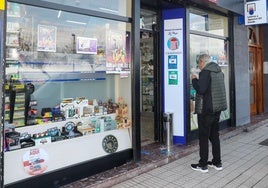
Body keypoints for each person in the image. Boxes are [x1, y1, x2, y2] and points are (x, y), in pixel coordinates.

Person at [191, 54, 227, 173]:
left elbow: (201, 90)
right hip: (217, 109)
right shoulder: (218, 71)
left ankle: (203, 165)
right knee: (214, 136)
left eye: (199, 64)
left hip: (207, 110)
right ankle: (217, 162)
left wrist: (194, 80)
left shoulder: (205, 73)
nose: (199, 66)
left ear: (202, 62)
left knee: (203, 137)